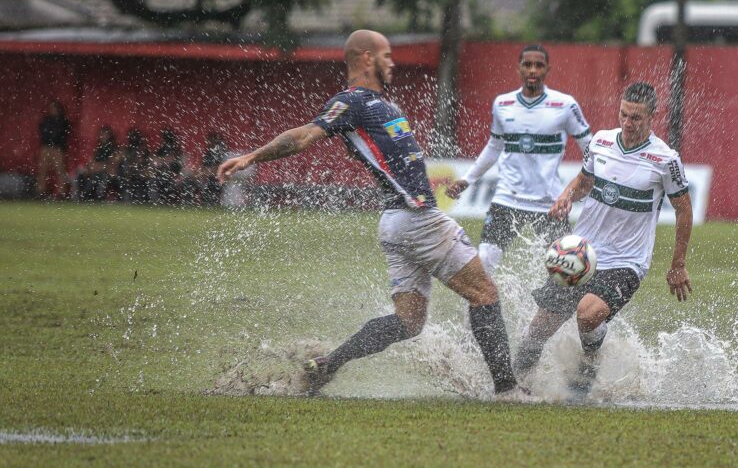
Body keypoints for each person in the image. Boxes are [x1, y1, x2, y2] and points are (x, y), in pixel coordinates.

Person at [218, 29, 522, 398]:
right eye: (387, 55)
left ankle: (328, 365)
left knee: (408, 322)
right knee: (485, 293)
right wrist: (254, 155)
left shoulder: (382, 105)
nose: (392, 62)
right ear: (366, 58)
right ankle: (508, 391)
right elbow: (305, 136)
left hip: (397, 224)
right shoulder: (353, 101)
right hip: (419, 218)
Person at [512, 82, 694, 397]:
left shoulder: (665, 159)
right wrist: (567, 195)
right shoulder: (601, 141)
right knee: (540, 327)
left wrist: (678, 264)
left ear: (652, 116)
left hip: (626, 261)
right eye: (624, 114)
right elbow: (584, 181)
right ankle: (511, 384)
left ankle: (587, 368)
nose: (628, 123)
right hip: (581, 253)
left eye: (636, 118)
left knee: (588, 312)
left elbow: (684, 210)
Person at [445, 44, 592, 274]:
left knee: (567, 269)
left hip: (550, 202)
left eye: (539, 65)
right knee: (484, 261)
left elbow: (590, 150)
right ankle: (484, 311)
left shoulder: (565, 105)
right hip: (507, 199)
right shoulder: (502, 104)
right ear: (519, 69)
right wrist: (467, 179)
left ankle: (560, 311)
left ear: (547, 70)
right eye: (527, 65)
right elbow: (493, 147)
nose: (533, 70)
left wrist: (579, 188)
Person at [36, 100, 71, 199]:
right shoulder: (46, 120)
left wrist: (54, 140)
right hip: (46, 147)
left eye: (53, 108)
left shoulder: (63, 120)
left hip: (57, 148)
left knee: (60, 170)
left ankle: (62, 192)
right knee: (43, 169)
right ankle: (41, 191)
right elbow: (42, 132)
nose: (52, 110)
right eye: (51, 108)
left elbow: (62, 134)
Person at [76, 125, 119, 201]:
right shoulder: (98, 147)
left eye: (104, 134)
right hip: (97, 171)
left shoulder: (113, 147)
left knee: (100, 179)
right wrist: (89, 168)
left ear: (109, 135)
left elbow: (112, 164)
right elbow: (91, 161)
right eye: (101, 134)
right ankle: (83, 198)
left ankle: (97, 198)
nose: (102, 136)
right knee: (82, 175)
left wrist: (97, 167)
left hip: (105, 172)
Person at [116, 128, 152, 204]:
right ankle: (126, 199)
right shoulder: (126, 150)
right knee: (123, 178)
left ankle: (143, 200)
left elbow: (145, 165)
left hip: (139, 174)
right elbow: (118, 161)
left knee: (144, 180)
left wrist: (140, 170)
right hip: (128, 174)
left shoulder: (143, 150)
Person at [152, 128, 187, 205]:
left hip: (176, 173)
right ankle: (160, 201)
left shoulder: (176, 148)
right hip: (164, 172)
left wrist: (163, 161)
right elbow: (155, 160)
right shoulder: (162, 148)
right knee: (159, 178)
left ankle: (174, 201)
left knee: (168, 179)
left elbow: (173, 160)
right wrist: (163, 161)